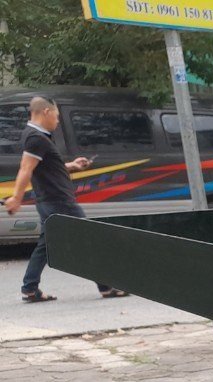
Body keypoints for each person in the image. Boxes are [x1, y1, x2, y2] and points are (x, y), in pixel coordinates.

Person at [3, 95, 127, 303]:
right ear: (46, 112)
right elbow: (26, 168)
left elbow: (46, 166)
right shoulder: (35, 137)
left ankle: (30, 288)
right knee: (88, 237)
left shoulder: (36, 136)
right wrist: (16, 197)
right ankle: (106, 286)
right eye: (57, 116)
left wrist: (71, 166)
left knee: (47, 243)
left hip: (49, 199)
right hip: (58, 200)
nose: (58, 121)